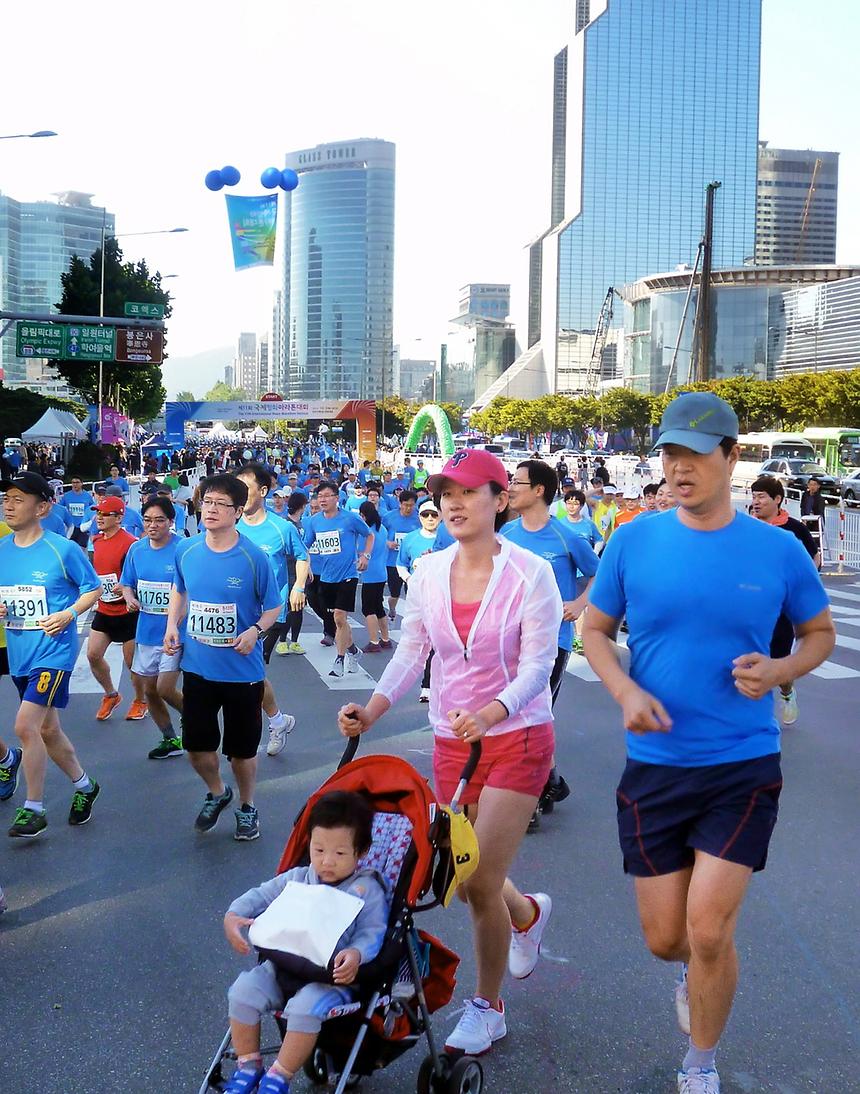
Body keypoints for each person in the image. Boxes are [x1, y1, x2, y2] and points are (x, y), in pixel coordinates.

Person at [582, 393, 834, 1094]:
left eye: (694, 454)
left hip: (741, 765)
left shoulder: (778, 549)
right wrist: (625, 692)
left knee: (712, 929)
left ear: (731, 456)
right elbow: (594, 630)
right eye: (670, 454)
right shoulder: (633, 540)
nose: (679, 468)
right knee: (667, 939)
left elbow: (819, 634)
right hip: (655, 768)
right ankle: (691, 971)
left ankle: (701, 1061)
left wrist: (779, 670)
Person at [338, 448, 563, 1056]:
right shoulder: (429, 570)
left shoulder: (530, 574)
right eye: (446, 494)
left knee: (480, 880)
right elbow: (412, 651)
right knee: (461, 878)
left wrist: (492, 712)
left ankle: (488, 1008)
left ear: (499, 499)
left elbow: (539, 663)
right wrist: (372, 709)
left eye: (468, 492)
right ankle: (526, 914)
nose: (454, 504)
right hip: (451, 741)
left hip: (517, 737)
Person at [222, 790, 389, 1094]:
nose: (327, 861)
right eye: (318, 849)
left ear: (361, 852)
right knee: (242, 992)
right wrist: (234, 915)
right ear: (308, 843)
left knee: (304, 1008)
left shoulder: (366, 890)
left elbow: (373, 932)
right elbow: (261, 895)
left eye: (340, 854)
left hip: (331, 979)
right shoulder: (299, 878)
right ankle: (248, 1066)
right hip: (284, 964)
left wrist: (356, 953)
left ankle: (279, 1076)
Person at [164, 473, 282, 841]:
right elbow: (179, 589)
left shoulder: (253, 557)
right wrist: (172, 625)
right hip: (198, 669)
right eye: (207, 502)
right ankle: (218, 792)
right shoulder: (186, 549)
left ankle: (247, 806)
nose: (211, 509)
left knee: (242, 753)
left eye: (220, 504)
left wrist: (255, 631)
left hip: (242, 672)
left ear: (237, 511)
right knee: (196, 748)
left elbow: (273, 607)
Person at [0, 472, 103, 838]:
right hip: (20, 652)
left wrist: (69, 614)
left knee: (24, 726)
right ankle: (85, 785)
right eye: (7, 498)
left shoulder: (63, 549)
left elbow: (93, 589)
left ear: (42, 507)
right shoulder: (2, 548)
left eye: (19, 499)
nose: (9, 505)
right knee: (48, 729)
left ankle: (34, 809)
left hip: (54, 651)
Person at [502, 460, 599, 828]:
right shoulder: (507, 533)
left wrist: (580, 602)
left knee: (529, 716)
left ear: (539, 490)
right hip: (508, 641)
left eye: (517, 482)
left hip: (550, 642)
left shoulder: (566, 536)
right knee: (518, 715)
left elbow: (598, 573)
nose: (511, 487)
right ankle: (551, 781)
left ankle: (529, 803)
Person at [236, 464, 306, 754]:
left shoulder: (282, 528)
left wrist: (298, 586)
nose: (239, 494)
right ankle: (278, 721)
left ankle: (260, 730)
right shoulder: (230, 526)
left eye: (245, 488)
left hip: (270, 614)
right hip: (236, 612)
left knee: (250, 672)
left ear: (263, 491)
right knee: (249, 672)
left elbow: (302, 556)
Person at [119, 495, 186, 759]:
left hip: (175, 634)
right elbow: (127, 583)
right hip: (146, 632)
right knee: (149, 690)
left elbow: (192, 589)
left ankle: (195, 719)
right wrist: (129, 598)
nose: (152, 525)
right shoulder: (136, 550)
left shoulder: (182, 549)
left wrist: (177, 618)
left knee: (165, 688)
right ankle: (170, 739)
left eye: (159, 520)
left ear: (171, 521)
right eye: (147, 520)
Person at [750, 476, 820, 727]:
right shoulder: (747, 528)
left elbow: (814, 557)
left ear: (777, 499)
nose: (756, 502)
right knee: (748, 656)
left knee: (779, 659)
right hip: (751, 604)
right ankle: (753, 713)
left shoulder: (794, 529)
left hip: (782, 607)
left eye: (761, 497)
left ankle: (787, 692)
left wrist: (805, 587)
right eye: (754, 496)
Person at [302, 481, 373, 678]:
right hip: (327, 576)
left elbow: (369, 535)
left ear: (336, 498)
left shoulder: (350, 518)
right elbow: (305, 546)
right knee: (338, 621)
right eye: (319, 496)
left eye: (327, 496)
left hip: (348, 574)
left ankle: (339, 660)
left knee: (340, 617)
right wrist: (305, 565)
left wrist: (365, 556)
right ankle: (353, 651)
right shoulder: (314, 521)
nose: (322, 500)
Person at [87, 495, 148, 721]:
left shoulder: (131, 544)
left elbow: (139, 575)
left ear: (119, 518)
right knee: (93, 655)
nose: (99, 518)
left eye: (106, 514)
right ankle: (111, 694)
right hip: (105, 608)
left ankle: (140, 700)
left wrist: (127, 588)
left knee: (132, 663)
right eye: (98, 513)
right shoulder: (97, 541)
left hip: (127, 612)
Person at [357, 501, 392, 653]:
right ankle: (385, 639)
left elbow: (361, 551)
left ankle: (374, 641)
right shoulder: (382, 528)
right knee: (378, 607)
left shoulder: (366, 532)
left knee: (368, 609)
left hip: (370, 573)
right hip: (381, 572)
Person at [382, 490, 420, 622]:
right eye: (406, 505)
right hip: (393, 561)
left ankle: (411, 617)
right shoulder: (388, 517)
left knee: (412, 591)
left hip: (413, 562)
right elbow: (379, 534)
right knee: (394, 593)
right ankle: (392, 608)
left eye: (411, 505)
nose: (408, 508)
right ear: (400, 503)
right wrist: (387, 542)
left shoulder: (419, 518)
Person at [59, 477, 96, 548]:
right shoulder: (66, 496)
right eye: (73, 482)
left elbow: (92, 508)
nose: (75, 484)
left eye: (77, 482)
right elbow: (60, 508)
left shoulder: (87, 496)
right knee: (70, 547)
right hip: (71, 526)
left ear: (81, 483)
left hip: (82, 526)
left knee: (82, 548)